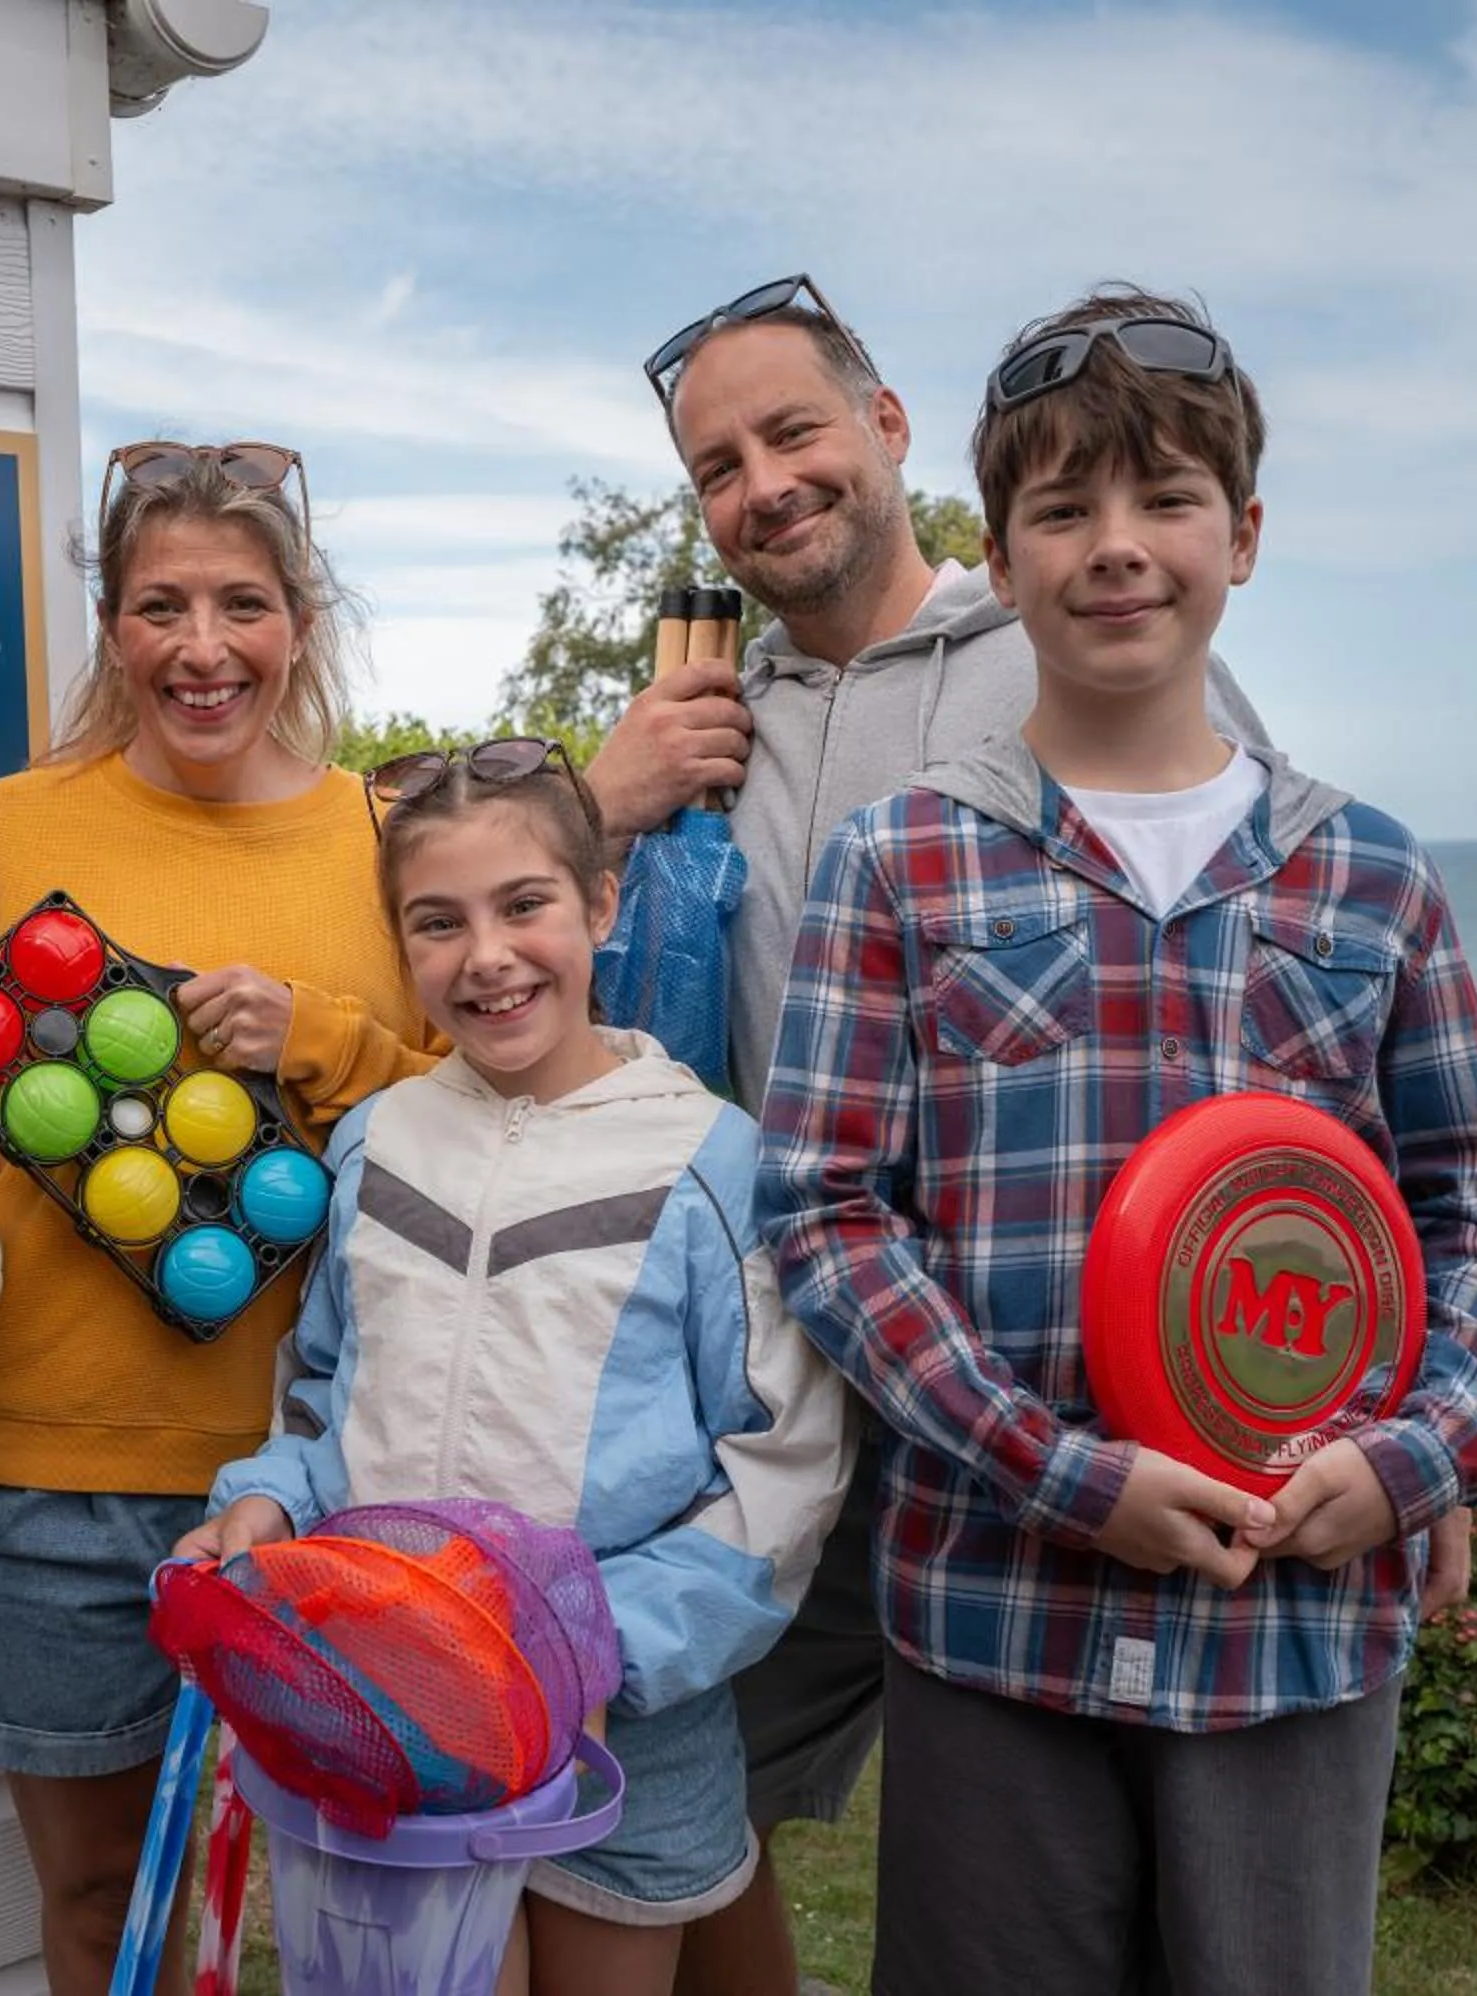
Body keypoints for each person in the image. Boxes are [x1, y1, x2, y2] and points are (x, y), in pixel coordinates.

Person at [755, 286, 1477, 1995]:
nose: (1116, 549)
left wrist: (1415, 1461)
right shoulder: (906, 865)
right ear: (1001, 547)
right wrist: (1062, 1471)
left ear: (1243, 535)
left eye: (1164, 501)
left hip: (1300, 1628)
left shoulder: (1378, 879)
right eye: (1062, 510)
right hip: (996, 1619)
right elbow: (827, 1210)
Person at [588, 275, 1289, 1993]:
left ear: (888, 428)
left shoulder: (1053, 661)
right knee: (666, 1780)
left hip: (1054, 1379)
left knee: (1093, 1876)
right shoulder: (700, 727)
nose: (764, 482)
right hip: (799, 1358)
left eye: (794, 430)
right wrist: (601, 801)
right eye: (718, 466)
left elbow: (1269, 1018)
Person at [0, 439, 434, 1994]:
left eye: (242, 604)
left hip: (329, 1474)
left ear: (301, 621)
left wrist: (317, 1039)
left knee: (351, 1900)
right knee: (106, 1902)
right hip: (34, 1483)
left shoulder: (382, 841)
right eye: (159, 605)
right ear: (110, 626)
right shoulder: (0, 833)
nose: (202, 648)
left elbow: (467, 1118)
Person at [178, 735, 851, 1995]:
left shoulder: (710, 1160)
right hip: (401, 1718)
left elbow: (782, 1467)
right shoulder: (380, 1144)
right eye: (438, 922)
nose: (486, 955)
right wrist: (268, 1499)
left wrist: (594, 1654)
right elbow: (329, 1390)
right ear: (400, 944)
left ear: (600, 902)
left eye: (525, 904)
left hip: (621, 1737)